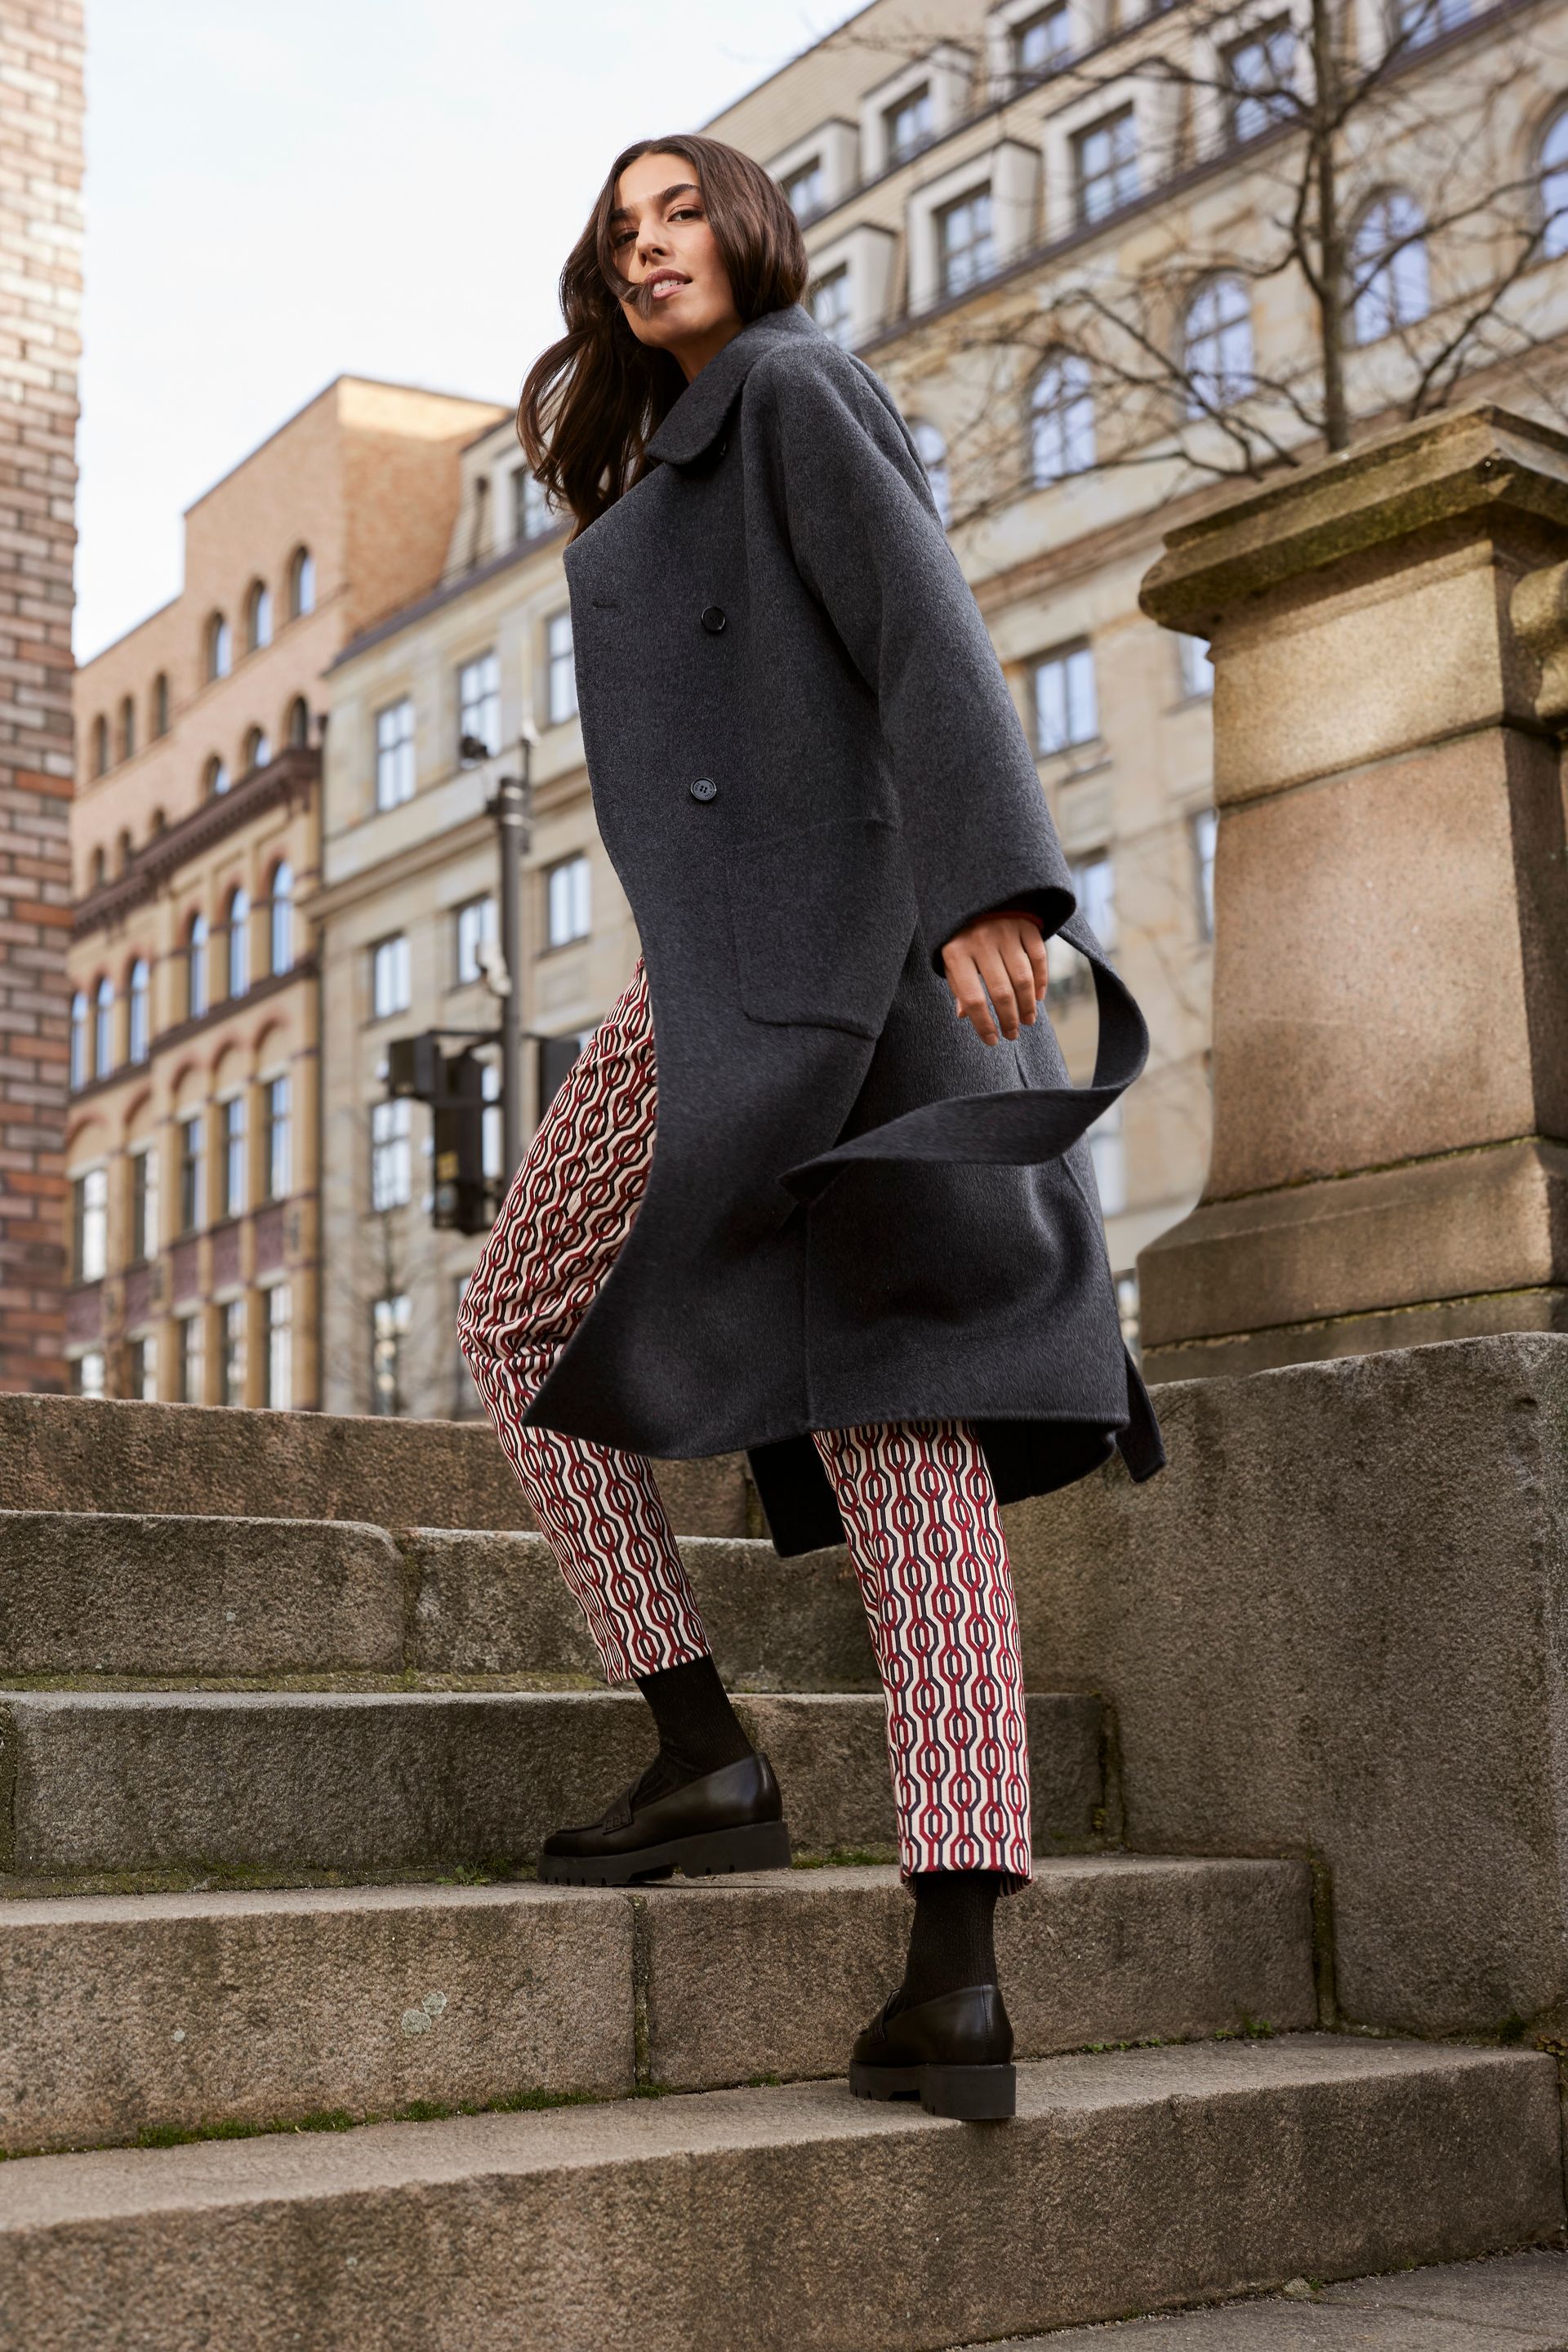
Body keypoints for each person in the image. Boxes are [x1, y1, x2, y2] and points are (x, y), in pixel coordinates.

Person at [458, 132, 1164, 2125]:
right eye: (622, 227)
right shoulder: (674, 457)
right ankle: (922, 1955)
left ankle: (738, 1778)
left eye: (685, 209)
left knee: (555, 1329)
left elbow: (917, 611)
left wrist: (994, 879)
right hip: (794, 968)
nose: (654, 242)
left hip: (813, 966)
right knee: (884, 1417)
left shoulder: (790, 382)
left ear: (753, 234)